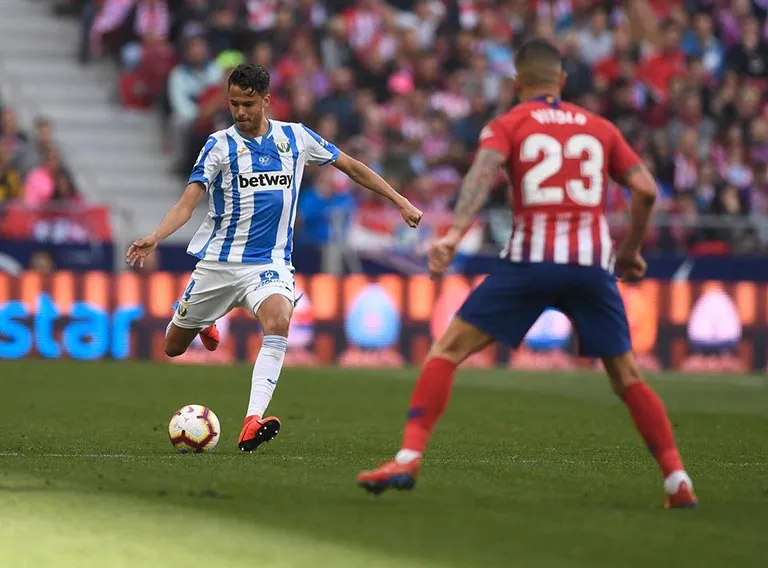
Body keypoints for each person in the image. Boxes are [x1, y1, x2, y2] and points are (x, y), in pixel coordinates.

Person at [356, 38, 697, 509]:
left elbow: (483, 172)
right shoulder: (600, 127)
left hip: (530, 262)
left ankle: (409, 456)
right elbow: (645, 188)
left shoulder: (510, 123)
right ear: (562, 81)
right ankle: (677, 480)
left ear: (517, 83)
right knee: (627, 376)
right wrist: (630, 251)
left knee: (447, 350)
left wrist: (454, 233)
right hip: (590, 266)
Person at [126, 63, 423, 453]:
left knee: (279, 319)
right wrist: (155, 237)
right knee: (173, 348)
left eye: (248, 104)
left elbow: (350, 166)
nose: (241, 112)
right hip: (219, 263)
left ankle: (252, 420)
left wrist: (399, 201)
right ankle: (197, 316)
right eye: (233, 104)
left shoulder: (295, 138)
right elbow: (187, 203)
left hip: (270, 264)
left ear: (266, 100)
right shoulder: (219, 145)